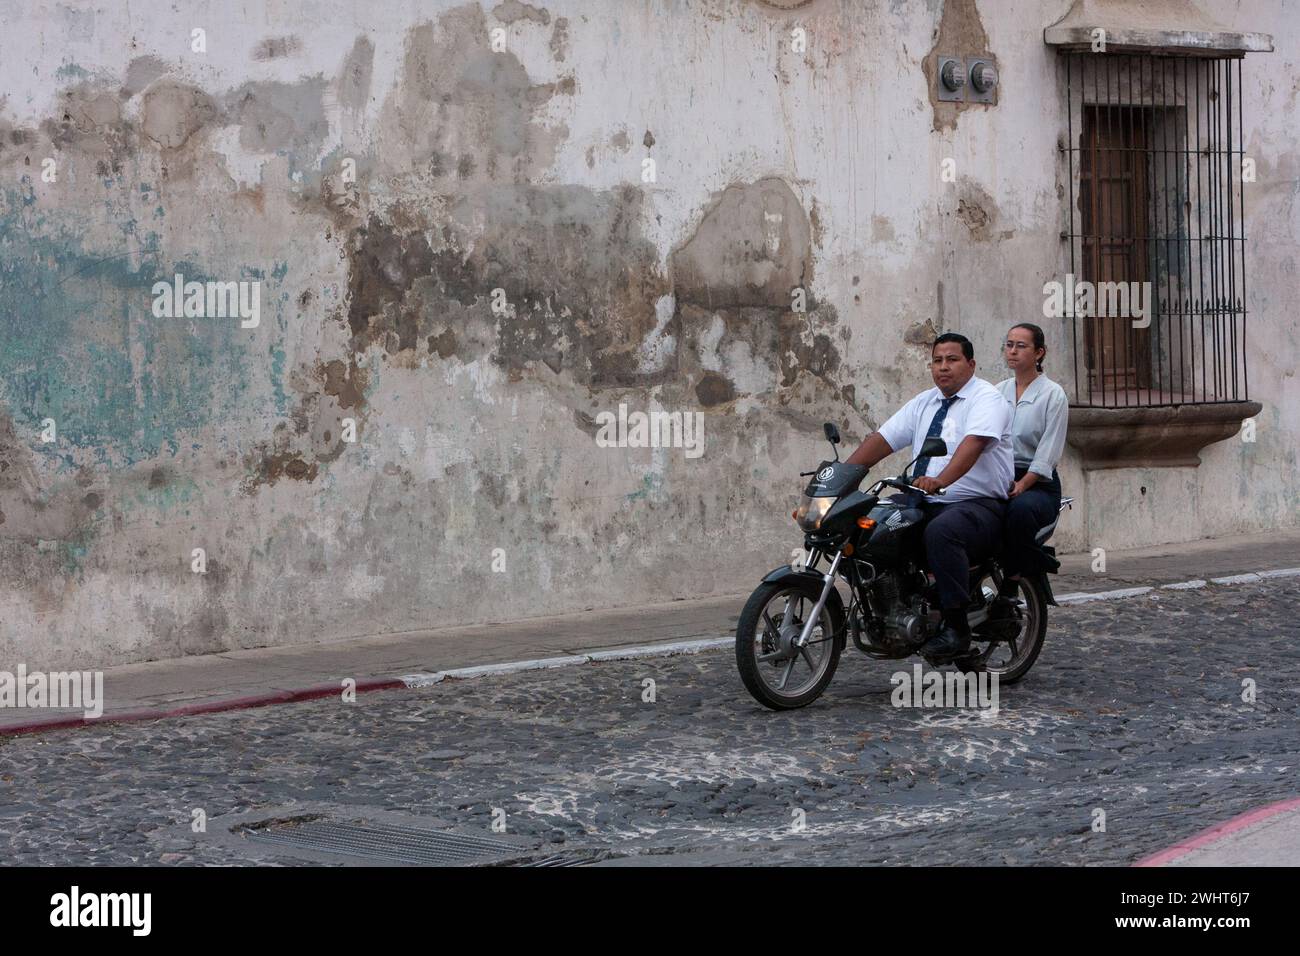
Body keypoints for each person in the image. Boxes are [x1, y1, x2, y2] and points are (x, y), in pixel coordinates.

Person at [845, 332, 1014, 664]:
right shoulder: (924, 402)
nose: (943, 368)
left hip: (976, 504)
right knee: (865, 526)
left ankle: (956, 629)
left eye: (952, 360)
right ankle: (891, 608)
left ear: (971, 364)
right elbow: (883, 439)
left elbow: (972, 446)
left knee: (942, 532)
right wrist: (843, 475)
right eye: (937, 361)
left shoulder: (988, 399)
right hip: (922, 500)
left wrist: (941, 480)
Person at [992, 323, 1069, 610]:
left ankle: (1011, 584)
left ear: (1039, 353)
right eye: (1009, 344)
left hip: (1038, 483)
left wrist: (1023, 485)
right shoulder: (997, 391)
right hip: (999, 473)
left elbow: (1048, 451)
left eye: (1020, 346)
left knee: (1019, 511)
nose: (1012, 351)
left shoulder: (1053, 395)